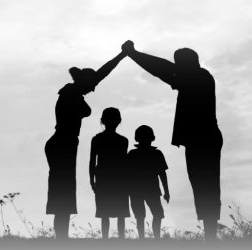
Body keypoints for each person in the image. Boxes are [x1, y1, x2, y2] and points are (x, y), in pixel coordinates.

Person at [121, 41, 223, 240]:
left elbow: (162, 69)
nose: (175, 69)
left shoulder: (199, 77)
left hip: (204, 140)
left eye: (178, 64)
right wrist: (134, 54)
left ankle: (210, 236)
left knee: (207, 186)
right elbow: (164, 69)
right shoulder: (196, 77)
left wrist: (134, 54)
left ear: (187, 64)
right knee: (202, 186)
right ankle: (210, 234)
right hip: (199, 140)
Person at [45, 51, 126, 240]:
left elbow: (101, 73)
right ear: (84, 82)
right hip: (62, 144)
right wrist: (122, 55)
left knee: (63, 193)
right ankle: (61, 240)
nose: (93, 90)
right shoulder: (72, 95)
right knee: (62, 194)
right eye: (91, 85)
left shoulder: (72, 92)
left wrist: (121, 56)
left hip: (64, 143)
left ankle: (61, 238)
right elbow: (87, 109)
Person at [89, 107, 130, 239]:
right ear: (119, 121)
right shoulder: (123, 141)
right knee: (120, 214)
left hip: (103, 180)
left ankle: (105, 241)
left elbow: (92, 162)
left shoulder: (97, 139)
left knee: (104, 214)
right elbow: (124, 164)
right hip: (119, 181)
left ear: (102, 121)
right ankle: (121, 241)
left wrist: (92, 181)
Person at [127, 125, 170, 239]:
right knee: (155, 215)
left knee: (144, 216)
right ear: (153, 138)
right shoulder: (156, 154)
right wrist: (166, 191)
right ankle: (155, 239)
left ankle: (145, 239)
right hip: (151, 190)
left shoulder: (133, 154)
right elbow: (162, 174)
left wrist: (166, 191)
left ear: (136, 138)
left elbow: (162, 174)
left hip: (138, 190)